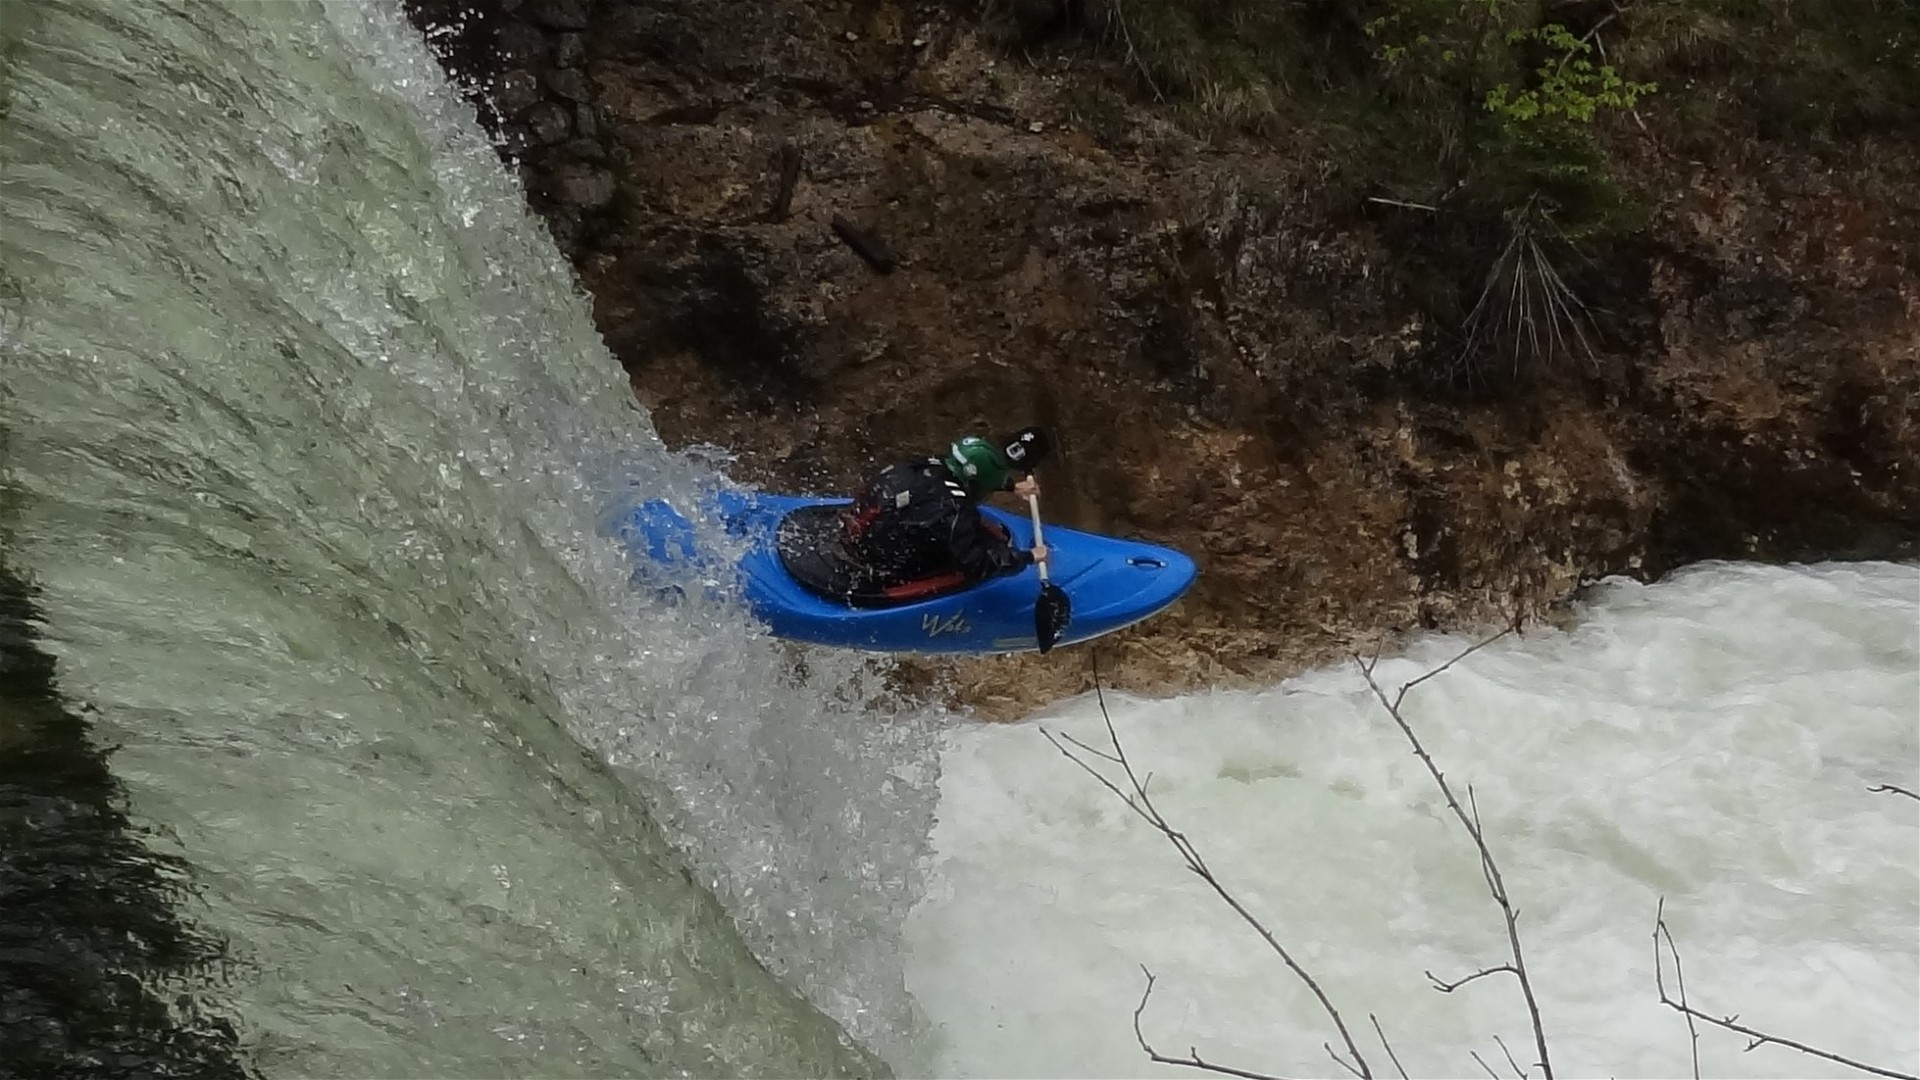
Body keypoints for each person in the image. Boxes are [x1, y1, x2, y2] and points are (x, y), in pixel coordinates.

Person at [791, 426, 1053, 606]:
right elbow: (977, 564)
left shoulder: (928, 464)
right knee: (971, 559)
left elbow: (970, 474)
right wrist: (1028, 557)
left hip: (856, 537)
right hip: (876, 564)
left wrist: (1011, 485)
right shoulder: (954, 511)